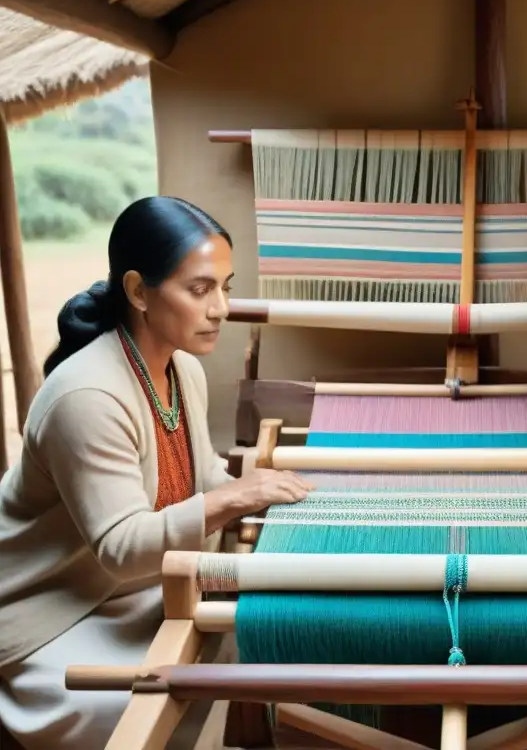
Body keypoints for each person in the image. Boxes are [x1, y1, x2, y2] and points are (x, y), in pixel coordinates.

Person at [0, 196, 314, 750]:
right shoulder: (87, 396)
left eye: (225, 286)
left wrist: (284, 497)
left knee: (229, 636)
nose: (220, 308)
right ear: (139, 291)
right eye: (199, 289)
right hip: (50, 611)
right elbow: (121, 547)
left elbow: (205, 479)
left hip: (130, 592)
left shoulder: (180, 368)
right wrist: (238, 497)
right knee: (139, 703)